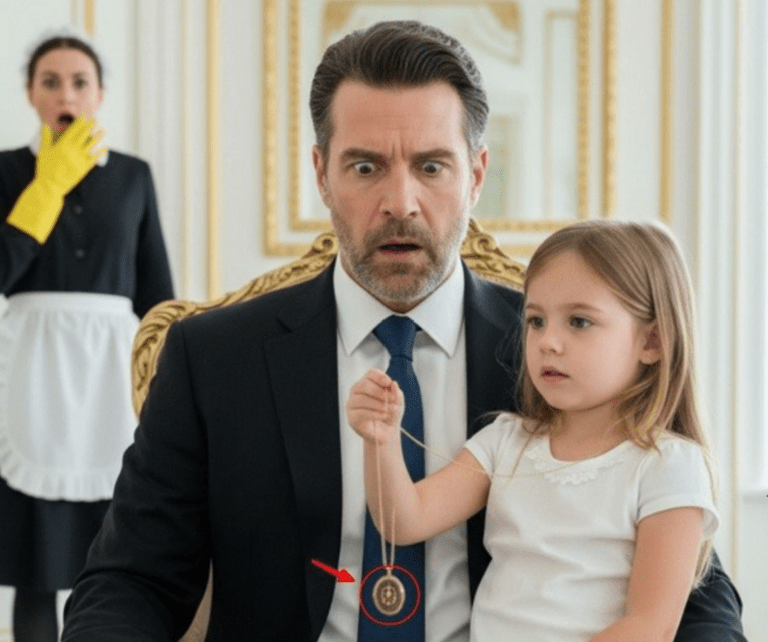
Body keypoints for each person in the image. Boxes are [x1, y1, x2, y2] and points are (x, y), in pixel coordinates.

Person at [61, 20, 746, 642]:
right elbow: (131, 582)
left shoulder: (564, 356)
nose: (400, 202)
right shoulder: (212, 357)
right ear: (322, 175)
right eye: (365, 167)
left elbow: (696, 597)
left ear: (476, 175)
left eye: (431, 166)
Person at [348, 219, 719, 642]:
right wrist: (381, 441)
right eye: (536, 321)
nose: (548, 342)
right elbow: (405, 521)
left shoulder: (668, 466)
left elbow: (650, 626)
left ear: (652, 342)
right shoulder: (506, 441)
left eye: (579, 322)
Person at [0, 31, 174, 642]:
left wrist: (168, 384)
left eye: (80, 82)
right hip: (30, 375)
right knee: (35, 563)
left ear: (99, 94)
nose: (65, 95)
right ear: (30, 93)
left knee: (112, 560)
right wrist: (44, 188)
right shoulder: (6, 172)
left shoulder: (132, 176)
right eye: (50, 82)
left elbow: (156, 293)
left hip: (108, 376)